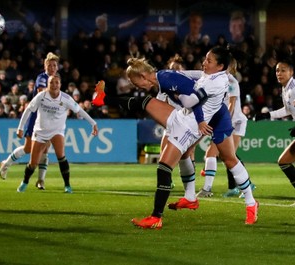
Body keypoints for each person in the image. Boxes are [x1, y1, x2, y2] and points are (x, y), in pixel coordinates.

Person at [93, 47, 258, 229]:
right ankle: (190, 198)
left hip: (196, 121)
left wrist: (201, 121)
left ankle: (157, 217)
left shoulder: (172, 79)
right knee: (146, 104)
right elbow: (191, 78)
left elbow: (193, 98)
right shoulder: (168, 78)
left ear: (143, 77)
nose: (135, 86)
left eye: (135, 82)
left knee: (173, 166)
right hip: (188, 116)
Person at [16, 74, 98, 193]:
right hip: (40, 131)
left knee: (61, 156)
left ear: (60, 85)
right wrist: (20, 127)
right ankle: (25, 181)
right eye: (51, 83)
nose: (54, 85)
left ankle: (67, 185)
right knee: (33, 163)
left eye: (56, 83)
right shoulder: (41, 96)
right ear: (47, 85)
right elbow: (28, 109)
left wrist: (93, 123)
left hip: (57, 131)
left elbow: (79, 110)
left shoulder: (66, 98)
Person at [0, 52, 59, 190]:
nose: (52, 68)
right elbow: (41, 93)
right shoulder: (42, 78)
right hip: (36, 117)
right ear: (45, 66)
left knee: (45, 149)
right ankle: (5, 163)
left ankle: (40, 181)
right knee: (28, 148)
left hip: (49, 119)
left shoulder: (56, 79)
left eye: (54, 65)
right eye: (49, 65)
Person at [197, 59, 254, 198]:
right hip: (226, 121)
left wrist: (222, 122)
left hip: (235, 122)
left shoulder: (231, 81)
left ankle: (207, 189)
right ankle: (243, 185)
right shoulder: (214, 81)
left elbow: (231, 105)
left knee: (219, 155)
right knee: (226, 156)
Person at [254, 57, 295, 191]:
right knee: (284, 162)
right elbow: (288, 110)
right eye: (277, 70)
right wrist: (268, 114)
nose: (279, 73)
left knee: (284, 161)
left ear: (291, 72)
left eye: (283, 70)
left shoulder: (293, 89)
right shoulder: (286, 89)